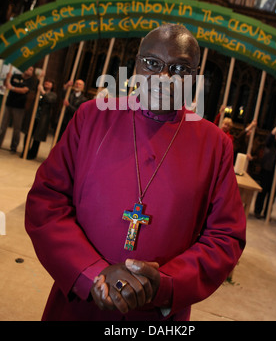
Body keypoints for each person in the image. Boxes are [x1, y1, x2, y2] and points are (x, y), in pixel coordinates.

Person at [25, 24, 246, 321]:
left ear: (195, 77)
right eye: (152, 63)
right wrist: (91, 272)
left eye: (180, 69)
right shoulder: (92, 117)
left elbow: (225, 236)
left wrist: (166, 283)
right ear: (136, 64)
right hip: (79, 303)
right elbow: (46, 202)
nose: (163, 78)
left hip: (155, 315)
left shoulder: (214, 145)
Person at [254, 118, 276, 219]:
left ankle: (267, 213)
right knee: (263, 192)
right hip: (267, 171)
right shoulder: (271, 143)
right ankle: (258, 211)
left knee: (272, 195)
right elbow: (272, 133)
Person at [0, 66, 36, 153]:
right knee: (3, 126)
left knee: (17, 128)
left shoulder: (31, 81)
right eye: (28, 68)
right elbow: (6, 84)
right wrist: (7, 78)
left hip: (19, 107)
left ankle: (14, 147)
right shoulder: (16, 76)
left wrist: (12, 88)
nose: (29, 70)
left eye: (31, 70)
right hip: (9, 104)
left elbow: (24, 90)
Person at [22, 79, 57, 159]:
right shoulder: (38, 92)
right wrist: (39, 78)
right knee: (28, 134)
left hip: (42, 119)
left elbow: (50, 100)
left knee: (37, 137)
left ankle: (32, 154)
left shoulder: (52, 94)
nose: (47, 83)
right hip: (33, 116)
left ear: (52, 86)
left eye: (49, 82)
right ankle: (25, 151)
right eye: (46, 82)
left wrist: (43, 92)